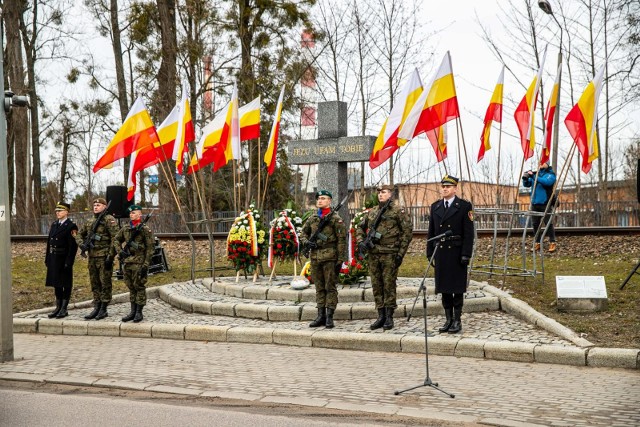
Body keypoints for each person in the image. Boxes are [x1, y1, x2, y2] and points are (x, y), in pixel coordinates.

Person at [356, 185, 413, 331]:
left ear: (390, 194)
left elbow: (407, 233)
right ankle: (380, 315)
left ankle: (389, 316)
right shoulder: (373, 211)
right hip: (374, 254)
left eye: (383, 192)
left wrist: (400, 253)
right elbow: (360, 227)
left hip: (390, 253)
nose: (380, 195)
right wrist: (360, 241)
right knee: (377, 285)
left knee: (388, 285)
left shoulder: (397, 211)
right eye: (379, 193)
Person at [427, 175, 474, 334]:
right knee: (444, 288)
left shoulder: (464, 206)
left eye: (448, 186)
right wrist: (429, 252)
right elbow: (431, 232)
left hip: (456, 253)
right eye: (443, 186)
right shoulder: (435, 207)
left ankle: (457, 320)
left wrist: (466, 254)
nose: (445, 189)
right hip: (441, 252)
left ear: (455, 189)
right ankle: (448, 319)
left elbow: (469, 233)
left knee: (457, 288)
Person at [300, 190, 347, 329]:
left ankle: (330, 317)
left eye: (323, 198)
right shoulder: (312, 218)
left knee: (330, 287)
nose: (320, 200)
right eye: (318, 198)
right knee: (319, 287)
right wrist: (306, 242)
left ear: (329, 201)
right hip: (315, 257)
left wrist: (340, 260)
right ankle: (320, 315)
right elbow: (303, 233)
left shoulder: (335, 219)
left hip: (330, 257)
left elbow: (341, 240)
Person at [76, 198, 118, 320]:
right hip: (92, 257)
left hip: (104, 257)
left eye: (98, 205)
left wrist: (110, 256)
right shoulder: (90, 221)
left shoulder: (109, 220)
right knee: (95, 282)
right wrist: (82, 244)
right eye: (94, 205)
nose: (95, 207)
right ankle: (97, 305)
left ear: (104, 207)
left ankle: (104, 308)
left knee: (105, 283)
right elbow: (79, 234)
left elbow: (115, 239)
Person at [113, 205, 154, 323]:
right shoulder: (126, 228)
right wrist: (120, 251)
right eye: (130, 213)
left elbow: (150, 248)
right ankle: (132, 311)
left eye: (134, 213)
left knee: (139, 286)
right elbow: (116, 239)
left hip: (139, 262)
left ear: (140, 214)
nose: (131, 215)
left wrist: (146, 264)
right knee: (131, 287)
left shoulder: (145, 229)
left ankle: (139, 312)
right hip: (127, 262)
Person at [44, 202, 78, 318]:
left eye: (60, 211)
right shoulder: (54, 225)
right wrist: (47, 258)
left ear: (66, 212)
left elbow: (73, 247)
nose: (58, 213)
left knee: (66, 283)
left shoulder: (71, 226)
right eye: (57, 211)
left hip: (64, 259)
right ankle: (58, 307)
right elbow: (49, 243)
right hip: (54, 258)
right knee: (56, 283)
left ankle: (64, 308)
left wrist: (69, 262)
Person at [522, 162, 557, 253]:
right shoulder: (535, 174)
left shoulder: (550, 175)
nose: (540, 163)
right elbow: (527, 184)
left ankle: (552, 242)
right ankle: (537, 242)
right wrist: (525, 179)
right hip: (534, 203)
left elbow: (546, 182)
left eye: (543, 162)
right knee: (535, 224)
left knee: (548, 223)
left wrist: (534, 176)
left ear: (547, 164)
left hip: (545, 203)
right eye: (540, 162)